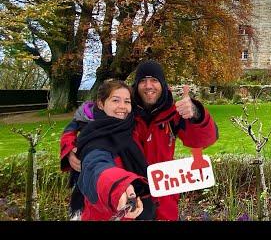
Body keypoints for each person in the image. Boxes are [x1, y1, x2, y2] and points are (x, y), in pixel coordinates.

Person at [61, 60, 218, 220]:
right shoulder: (122, 110)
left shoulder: (174, 114)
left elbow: (203, 140)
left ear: (163, 84)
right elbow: (78, 126)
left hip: (163, 204)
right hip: (124, 200)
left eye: (154, 80)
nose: (148, 85)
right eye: (143, 80)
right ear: (136, 85)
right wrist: (71, 151)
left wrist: (196, 114)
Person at [74, 79, 155, 221]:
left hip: (136, 212)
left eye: (127, 101)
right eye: (116, 100)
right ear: (101, 103)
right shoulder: (95, 136)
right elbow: (96, 165)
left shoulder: (130, 129)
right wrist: (117, 186)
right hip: (106, 214)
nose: (122, 106)